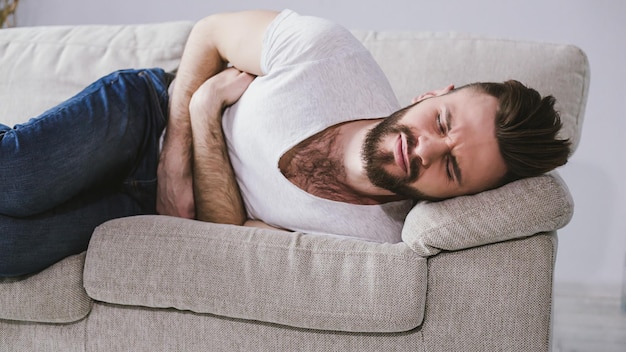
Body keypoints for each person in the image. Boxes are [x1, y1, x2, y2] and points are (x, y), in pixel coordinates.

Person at [0, 9, 569, 277]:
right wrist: (183, 135)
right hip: (147, 115)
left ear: (457, 198)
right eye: (442, 122)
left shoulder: (374, 241)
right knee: (18, 178)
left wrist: (209, 112)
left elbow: (225, 236)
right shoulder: (327, 51)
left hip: (145, 207)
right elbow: (210, 33)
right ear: (434, 92)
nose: (421, 148)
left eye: (450, 169)